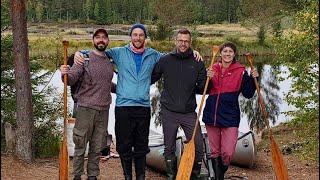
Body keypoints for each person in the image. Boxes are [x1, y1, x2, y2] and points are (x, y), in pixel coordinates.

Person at [74, 24, 202, 180]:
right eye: (135, 35)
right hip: (123, 107)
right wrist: (80, 53)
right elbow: (98, 53)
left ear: (145, 38)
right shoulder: (119, 53)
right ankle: (128, 176)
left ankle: (140, 176)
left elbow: (173, 56)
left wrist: (192, 53)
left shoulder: (154, 55)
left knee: (141, 147)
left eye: (141, 35)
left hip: (142, 107)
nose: (138, 38)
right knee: (124, 146)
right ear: (131, 37)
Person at [151, 28, 207, 180]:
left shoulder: (197, 61)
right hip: (169, 112)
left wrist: (208, 79)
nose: (183, 44)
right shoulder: (165, 60)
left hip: (189, 112)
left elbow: (202, 88)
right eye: (180, 41)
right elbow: (151, 78)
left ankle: (193, 176)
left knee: (198, 147)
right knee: (169, 148)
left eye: (186, 41)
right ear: (175, 41)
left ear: (190, 42)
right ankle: (172, 176)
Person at [60, 28, 114, 180]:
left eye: (104, 37)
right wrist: (64, 72)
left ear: (108, 41)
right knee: (80, 146)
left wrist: (124, 89)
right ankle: (77, 175)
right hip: (85, 109)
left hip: (104, 111)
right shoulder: (84, 58)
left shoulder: (110, 61)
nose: (101, 40)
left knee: (97, 147)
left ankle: (92, 176)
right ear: (93, 41)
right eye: (98, 37)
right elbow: (71, 79)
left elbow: (106, 84)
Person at [202, 42, 259, 180]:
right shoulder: (212, 68)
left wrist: (254, 78)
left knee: (227, 152)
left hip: (230, 116)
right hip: (212, 115)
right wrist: (206, 78)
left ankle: (218, 175)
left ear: (234, 54)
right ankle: (219, 178)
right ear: (220, 53)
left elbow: (248, 93)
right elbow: (204, 89)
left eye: (230, 51)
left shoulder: (240, 71)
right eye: (225, 51)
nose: (227, 54)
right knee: (215, 152)